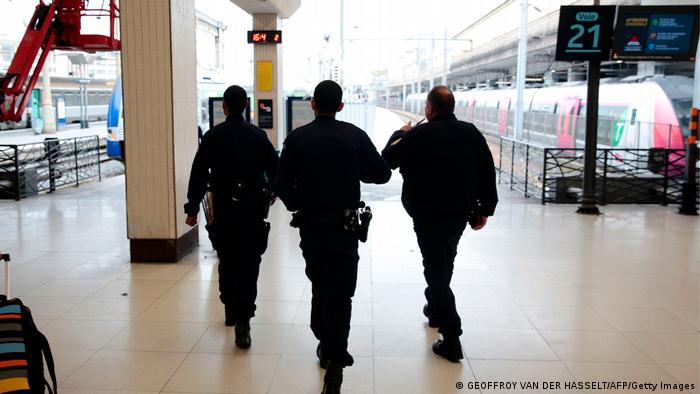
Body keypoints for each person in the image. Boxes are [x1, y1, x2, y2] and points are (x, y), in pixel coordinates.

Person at [274, 80, 391, 394]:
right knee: (340, 293)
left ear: (313, 103)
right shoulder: (354, 135)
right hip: (345, 229)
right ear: (341, 106)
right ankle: (335, 360)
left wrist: (298, 201)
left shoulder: (297, 138)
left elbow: (281, 184)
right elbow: (382, 174)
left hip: (312, 228)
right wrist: (355, 169)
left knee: (320, 283)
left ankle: (327, 344)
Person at [381, 85, 498, 362]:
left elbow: (387, 158)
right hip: (459, 212)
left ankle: (452, 337)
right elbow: (487, 171)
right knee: (445, 259)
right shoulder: (471, 133)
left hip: (427, 213)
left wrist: (401, 134)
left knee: (435, 270)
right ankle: (435, 309)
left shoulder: (420, 134)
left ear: (429, 109)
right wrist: (485, 208)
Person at [184, 85, 278, 349]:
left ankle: (229, 307)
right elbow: (276, 169)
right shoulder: (258, 136)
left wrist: (192, 209)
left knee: (227, 259)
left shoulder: (213, 136)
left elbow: (199, 174)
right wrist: (272, 192)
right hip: (252, 211)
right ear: (246, 106)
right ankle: (244, 323)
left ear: (224, 107)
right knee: (249, 263)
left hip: (223, 210)